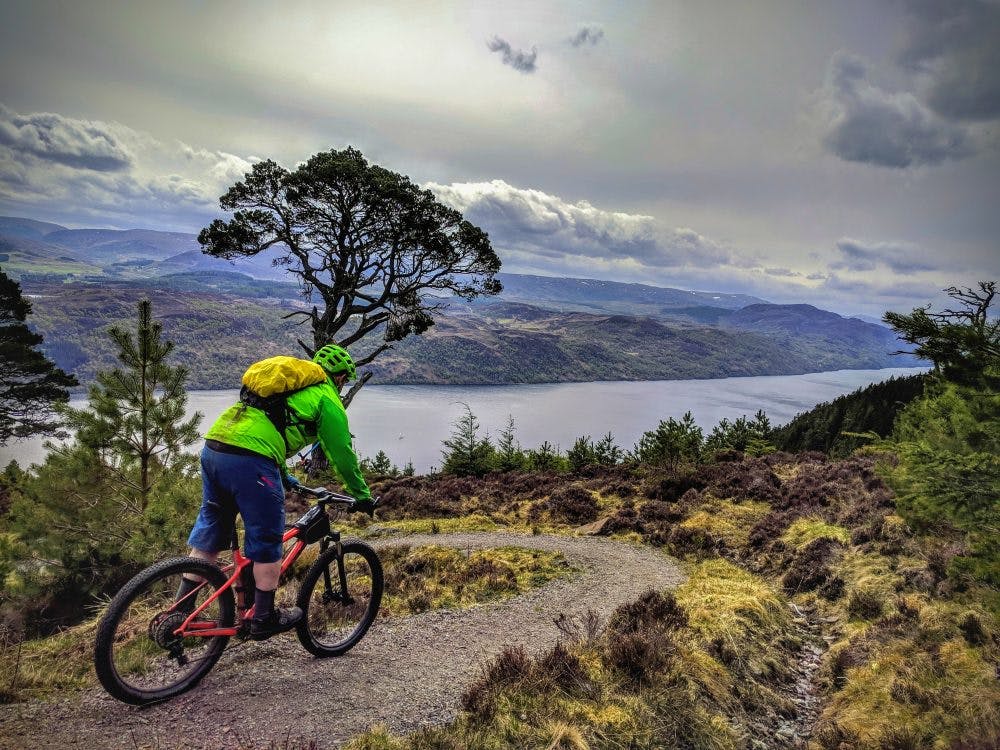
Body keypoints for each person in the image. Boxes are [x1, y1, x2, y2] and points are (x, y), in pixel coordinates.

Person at [177, 344, 373, 640]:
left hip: (215, 446)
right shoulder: (327, 397)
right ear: (342, 377)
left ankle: (179, 612)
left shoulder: (286, 390)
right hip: (251, 459)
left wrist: (284, 476)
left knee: (210, 533)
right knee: (267, 537)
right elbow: (342, 452)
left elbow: (269, 427)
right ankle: (264, 618)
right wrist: (361, 494)